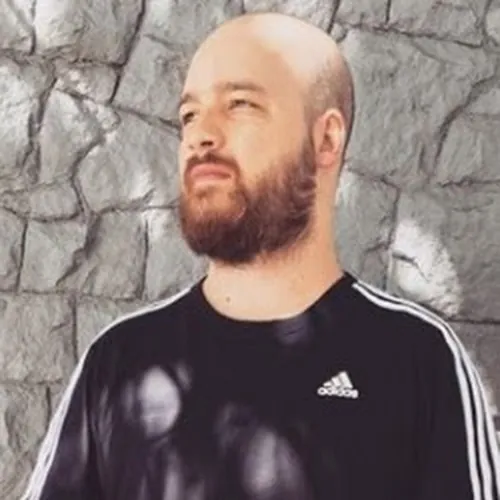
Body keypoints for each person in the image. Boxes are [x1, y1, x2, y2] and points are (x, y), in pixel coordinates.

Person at [22, 11, 499, 500]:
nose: (200, 135)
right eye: (189, 115)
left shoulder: (418, 360)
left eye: (239, 104)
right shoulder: (119, 362)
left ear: (326, 139)